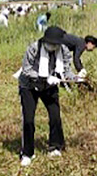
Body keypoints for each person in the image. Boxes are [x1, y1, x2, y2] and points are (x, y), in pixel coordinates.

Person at [18, 26, 75, 166]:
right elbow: (26, 69)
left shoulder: (64, 51)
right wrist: (44, 77)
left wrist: (74, 78)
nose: (53, 46)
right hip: (29, 86)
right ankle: (27, 153)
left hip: (50, 86)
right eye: (50, 44)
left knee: (55, 115)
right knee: (29, 119)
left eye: (56, 44)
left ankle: (55, 146)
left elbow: (66, 70)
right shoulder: (33, 48)